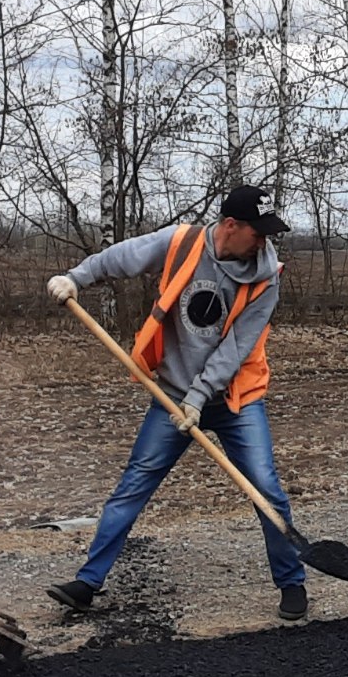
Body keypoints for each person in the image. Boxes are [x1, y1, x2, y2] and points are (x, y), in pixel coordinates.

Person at [43, 184, 306, 622]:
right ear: (229, 226)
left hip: (236, 398)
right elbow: (121, 257)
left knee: (265, 489)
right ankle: (87, 583)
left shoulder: (267, 276)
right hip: (171, 395)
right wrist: (76, 277)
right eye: (256, 233)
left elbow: (235, 348)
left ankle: (292, 581)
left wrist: (201, 399)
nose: (263, 242)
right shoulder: (181, 243)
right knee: (134, 485)